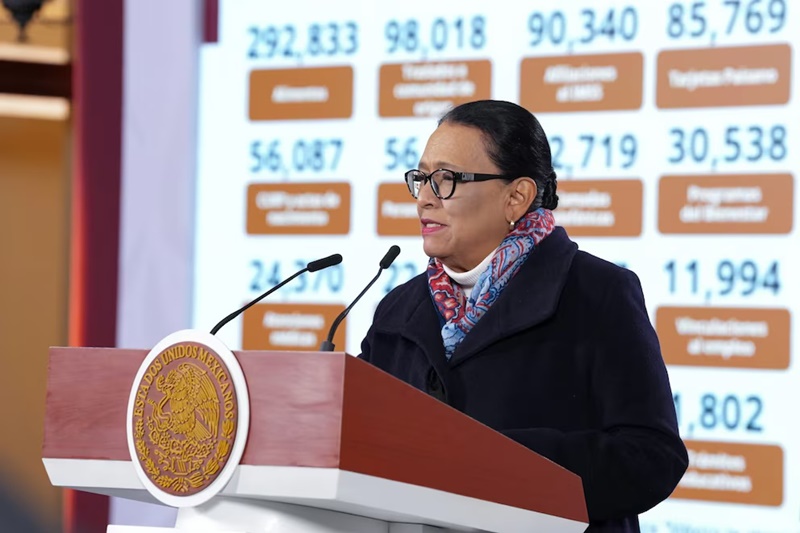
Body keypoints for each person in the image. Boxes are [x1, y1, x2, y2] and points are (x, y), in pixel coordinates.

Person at [358, 100, 688, 531]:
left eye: (446, 180)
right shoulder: (398, 309)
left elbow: (652, 456)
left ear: (516, 197)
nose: (423, 199)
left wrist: (496, 462)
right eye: (421, 179)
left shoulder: (596, 293)